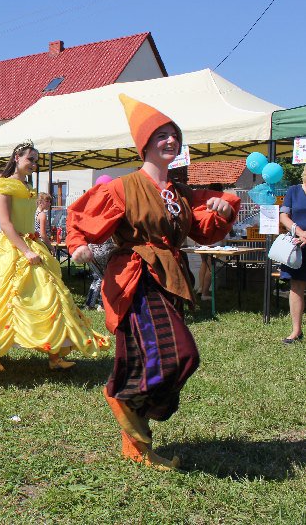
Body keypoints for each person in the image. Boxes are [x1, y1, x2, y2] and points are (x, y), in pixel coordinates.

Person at [66, 94, 239, 470]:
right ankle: (123, 399)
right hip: (136, 277)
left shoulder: (179, 192)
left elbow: (206, 225)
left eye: (174, 134)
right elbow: (82, 216)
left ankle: (137, 447)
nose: (170, 140)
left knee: (141, 359)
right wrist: (79, 244)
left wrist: (223, 206)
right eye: (161, 135)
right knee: (178, 354)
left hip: (171, 277)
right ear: (145, 143)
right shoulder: (123, 187)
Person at [0, 142, 107, 372]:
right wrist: (26, 251)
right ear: (17, 157)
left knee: (49, 296)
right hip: (11, 248)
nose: (34, 164)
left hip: (32, 243)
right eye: (30, 159)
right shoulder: (3, 185)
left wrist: (36, 245)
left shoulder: (28, 186)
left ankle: (55, 355)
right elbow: (6, 224)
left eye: (36, 160)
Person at [278, 168, 306, 344]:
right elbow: (283, 216)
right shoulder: (293, 191)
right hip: (298, 247)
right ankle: (296, 331)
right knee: (296, 287)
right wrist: (301, 232)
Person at [196, 183, 225, 302]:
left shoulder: (204, 203)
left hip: (201, 238)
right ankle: (205, 293)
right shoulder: (219, 204)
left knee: (204, 263)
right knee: (210, 266)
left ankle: (200, 288)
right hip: (213, 239)